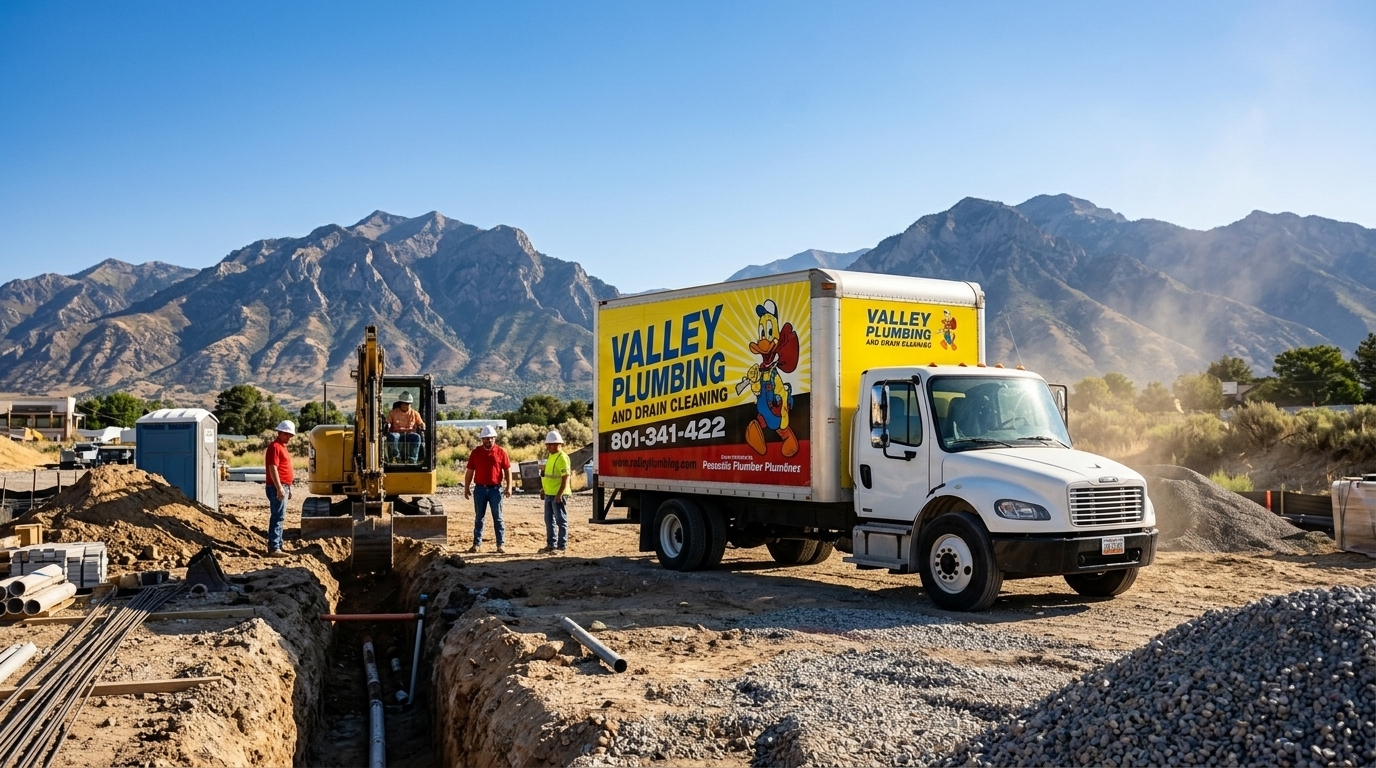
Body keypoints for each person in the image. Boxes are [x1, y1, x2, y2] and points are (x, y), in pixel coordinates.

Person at [463, 425, 512, 554]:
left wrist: (509, 486)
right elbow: (469, 471)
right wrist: (466, 487)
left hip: (496, 490)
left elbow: (507, 470)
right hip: (480, 489)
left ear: (494, 438)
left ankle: (500, 545)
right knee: (479, 517)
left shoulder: (501, 452)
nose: (488, 441)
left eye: (490, 438)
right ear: (482, 439)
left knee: (498, 518)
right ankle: (476, 545)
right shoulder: (476, 452)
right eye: (486, 438)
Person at [264, 420, 295, 558]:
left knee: (280, 516)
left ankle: (278, 545)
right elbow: (273, 467)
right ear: (280, 433)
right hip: (277, 486)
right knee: (277, 516)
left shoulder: (282, 446)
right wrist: (279, 488)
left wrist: (287, 487)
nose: (290, 437)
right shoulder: (275, 447)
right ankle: (274, 547)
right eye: (287, 434)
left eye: (290, 435)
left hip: (283, 486)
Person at [539, 430, 571, 554]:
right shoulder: (551, 456)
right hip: (549, 493)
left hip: (558, 495)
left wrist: (560, 494)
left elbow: (565, 477)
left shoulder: (562, 457)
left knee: (560, 520)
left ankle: (561, 546)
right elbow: (549, 476)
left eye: (550, 444)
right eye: (547, 444)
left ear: (558, 444)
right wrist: (543, 489)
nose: (548, 447)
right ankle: (551, 545)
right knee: (549, 519)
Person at [386, 391, 424, 463]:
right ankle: (396, 457)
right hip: (397, 433)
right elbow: (389, 422)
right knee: (392, 436)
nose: (405, 405)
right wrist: (388, 425)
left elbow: (421, 423)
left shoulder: (415, 413)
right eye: (403, 403)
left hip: (410, 433)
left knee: (417, 437)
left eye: (407, 404)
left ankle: (412, 458)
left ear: (410, 404)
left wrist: (422, 426)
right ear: (400, 403)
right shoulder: (393, 413)